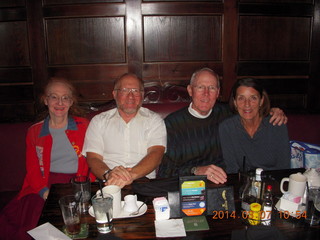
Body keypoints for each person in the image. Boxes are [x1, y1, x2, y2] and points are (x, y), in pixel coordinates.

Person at [0, 77, 95, 240]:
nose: (60, 102)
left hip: (77, 181)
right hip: (44, 183)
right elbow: (32, 169)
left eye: (65, 97)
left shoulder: (85, 126)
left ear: (71, 102)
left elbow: (92, 160)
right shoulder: (34, 132)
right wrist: (45, 193)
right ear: (45, 100)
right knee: (35, 225)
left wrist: (87, 187)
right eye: (54, 96)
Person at [157, 68, 287, 184]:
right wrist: (196, 170)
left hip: (224, 182)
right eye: (200, 87)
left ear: (218, 92)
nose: (206, 94)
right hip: (189, 185)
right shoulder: (173, 124)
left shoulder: (226, 113)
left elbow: (249, 108)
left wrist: (273, 111)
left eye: (212, 88)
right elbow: (165, 172)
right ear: (190, 90)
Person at [82, 73, 166, 188]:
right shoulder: (98, 121)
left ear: (142, 95)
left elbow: (156, 154)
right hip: (108, 183)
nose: (130, 96)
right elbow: (93, 158)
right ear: (115, 94)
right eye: (125, 90)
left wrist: (130, 175)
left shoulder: (154, 120)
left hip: (144, 183)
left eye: (136, 91)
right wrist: (109, 174)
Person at [219, 78, 291, 173]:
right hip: (244, 183)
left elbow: (284, 168)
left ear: (261, 101)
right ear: (235, 102)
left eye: (253, 98)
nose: (247, 104)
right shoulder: (227, 128)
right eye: (241, 98)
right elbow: (232, 169)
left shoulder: (276, 124)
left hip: (274, 183)